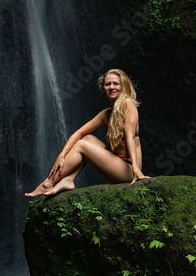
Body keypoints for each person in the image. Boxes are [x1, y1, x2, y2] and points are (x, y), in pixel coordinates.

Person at [25, 69, 150, 198]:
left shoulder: (128, 104)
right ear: (103, 88)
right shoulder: (107, 114)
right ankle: (68, 179)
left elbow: (129, 137)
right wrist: (61, 156)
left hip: (128, 170)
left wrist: (136, 170)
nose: (111, 87)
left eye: (115, 84)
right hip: (116, 163)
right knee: (87, 138)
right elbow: (79, 133)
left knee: (82, 145)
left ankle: (48, 183)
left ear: (123, 86)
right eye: (108, 84)